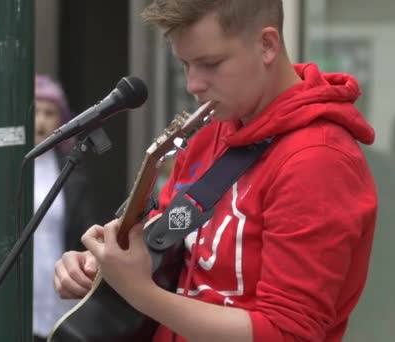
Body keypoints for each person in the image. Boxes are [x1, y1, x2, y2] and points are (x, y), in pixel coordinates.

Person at [53, 1, 378, 341]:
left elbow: (287, 333)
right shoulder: (212, 129)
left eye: (210, 64)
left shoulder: (318, 161)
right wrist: (104, 267)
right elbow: (168, 248)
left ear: (267, 45)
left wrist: (140, 294)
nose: (194, 84)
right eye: (185, 64)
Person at [32, 74, 99, 342]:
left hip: (57, 284)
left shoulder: (71, 171)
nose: (41, 121)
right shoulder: (2, 166)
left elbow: (85, 229)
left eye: (49, 113)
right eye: (35, 111)